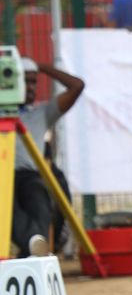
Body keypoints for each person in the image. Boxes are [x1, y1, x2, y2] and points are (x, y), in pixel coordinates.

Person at [11, 57, 85, 258]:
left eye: (34, 81)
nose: (30, 87)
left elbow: (77, 86)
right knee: (12, 214)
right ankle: (33, 252)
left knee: (40, 202)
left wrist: (42, 66)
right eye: (24, 80)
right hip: (3, 177)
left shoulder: (41, 113)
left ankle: (33, 253)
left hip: (28, 176)